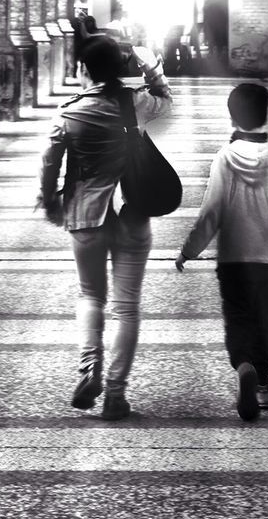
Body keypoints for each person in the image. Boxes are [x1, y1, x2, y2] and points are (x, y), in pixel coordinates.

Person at [40, 32, 172, 420]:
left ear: (84, 70)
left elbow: (50, 161)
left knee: (90, 296)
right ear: (120, 68)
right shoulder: (136, 103)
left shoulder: (69, 112)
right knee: (127, 307)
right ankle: (116, 393)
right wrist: (150, 65)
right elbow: (165, 99)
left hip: (85, 214)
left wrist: (48, 199)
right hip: (132, 212)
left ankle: (89, 367)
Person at [175, 81, 268, 421]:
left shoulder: (225, 159)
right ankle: (263, 385)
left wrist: (189, 250)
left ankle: (243, 365)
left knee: (238, 318)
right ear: (265, 114)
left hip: (232, 259)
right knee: (265, 321)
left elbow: (210, 212)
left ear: (232, 118)